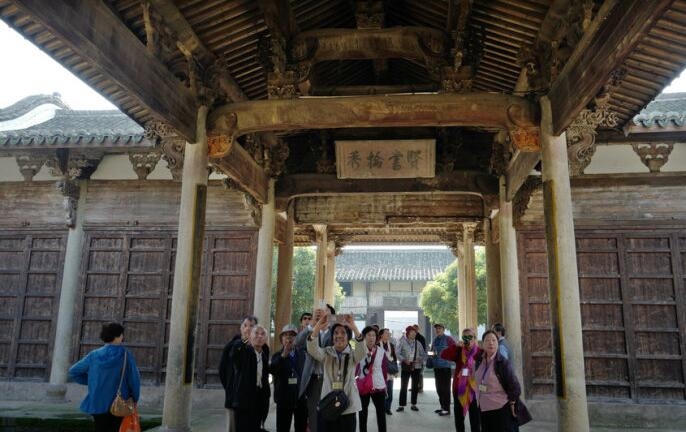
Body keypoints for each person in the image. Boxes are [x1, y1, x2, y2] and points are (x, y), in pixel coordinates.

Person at [68, 322, 141, 432]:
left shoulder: (94, 355)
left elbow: (73, 371)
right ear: (117, 336)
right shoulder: (126, 355)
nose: (122, 336)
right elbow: (134, 380)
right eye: (121, 334)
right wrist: (135, 398)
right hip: (120, 402)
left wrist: (92, 381)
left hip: (98, 401)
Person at [306, 310, 365, 432]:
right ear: (332, 337)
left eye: (343, 333)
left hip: (348, 407)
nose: (339, 336)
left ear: (348, 337)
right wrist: (318, 325)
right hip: (328, 406)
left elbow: (362, 350)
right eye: (336, 333)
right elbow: (312, 348)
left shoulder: (353, 355)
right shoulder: (326, 353)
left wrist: (353, 327)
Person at [475, 330, 527, 432]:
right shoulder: (480, 360)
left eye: (494, 340)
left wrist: (512, 403)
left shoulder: (502, 363)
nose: (491, 343)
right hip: (483, 409)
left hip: (500, 409)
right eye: (487, 340)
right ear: (483, 344)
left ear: (498, 343)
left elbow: (515, 386)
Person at [218, 315, 258, 432]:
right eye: (245, 325)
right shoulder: (233, 345)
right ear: (241, 328)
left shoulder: (260, 347)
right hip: (235, 399)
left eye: (251, 326)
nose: (248, 329)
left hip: (253, 400)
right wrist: (231, 388)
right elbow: (222, 370)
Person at [295, 308, 332, 432]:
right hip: (312, 378)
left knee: (328, 409)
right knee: (312, 411)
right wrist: (312, 325)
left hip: (328, 378)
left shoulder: (334, 333)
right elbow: (298, 342)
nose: (323, 316)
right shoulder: (309, 331)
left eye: (326, 314)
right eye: (320, 315)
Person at [440, 327, 482, 432]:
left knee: (475, 418)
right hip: (459, 389)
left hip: (474, 389)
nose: (468, 340)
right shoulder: (459, 350)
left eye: (470, 337)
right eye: (465, 337)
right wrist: (455, 346)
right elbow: (443, 355)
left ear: (475, 338)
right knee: (459, 418)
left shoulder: (480, 352)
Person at [232, 325, 271, 432]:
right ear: (250, 336)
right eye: (256, 333)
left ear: (266, 338)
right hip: (244, 401)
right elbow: (235, 352)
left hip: (259, 400)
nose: (259, 336)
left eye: (263, 334)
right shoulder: (244, 351)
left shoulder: (264, 355)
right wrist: (245, 340)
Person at [270, 324, 307, 432]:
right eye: (285, 335)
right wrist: (283, 355)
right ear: (281, 339)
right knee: (282, 428)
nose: (289, 337)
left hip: (300, 399)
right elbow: (272, 370)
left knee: (301, 427)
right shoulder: (277, 355)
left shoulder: (302, 354)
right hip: (283, 400)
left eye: (292, 335)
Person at [357, 326, 387, 432]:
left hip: (378, 386)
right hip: (364, 385)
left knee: (381, 414)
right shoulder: (359, 351)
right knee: (362, 413)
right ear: (364, 337)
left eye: (373, 335)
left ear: (376, 338)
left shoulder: (381, 351)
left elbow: (384, 370)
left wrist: (385, 386)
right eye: (369, 335)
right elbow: (356, 368)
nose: (371, 338)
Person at [395, 325, 426, 412]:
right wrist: (404, 360)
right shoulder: (402, 342)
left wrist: (419, 359)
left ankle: (413, 404)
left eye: (415, 333)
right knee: (403, 386)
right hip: (406, 366)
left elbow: (423, 354)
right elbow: (397, 353)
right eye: (412, 333)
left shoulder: (418, 343)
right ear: (408, 333)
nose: (414, 334)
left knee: (415, 386)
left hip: (416, 366)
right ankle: (401, 405)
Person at [431, 323, 456, 416]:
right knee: (439, 388)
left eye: (439, 328)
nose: (437, 330)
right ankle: (442, 407)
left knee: (445, 389)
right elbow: (432, 352)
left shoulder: (448, 339)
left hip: (445, 368)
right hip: (437, 367)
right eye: (436, 328)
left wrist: (449, 358)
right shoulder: (435, 340)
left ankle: (446, 409)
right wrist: (431, 354)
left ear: (443, 329)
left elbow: (455, 350)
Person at [379, 328, 398, 415]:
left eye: (389, 333)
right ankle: (381, 408)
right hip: (380, 371)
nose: (388, 334)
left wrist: (396, 370)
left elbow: (394, 358)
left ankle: (388, 408)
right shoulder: (377, 345)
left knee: (390, 391)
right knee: (381, 392)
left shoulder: (392, 345)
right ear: (381, 335)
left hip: (390, 371)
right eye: (386, 333)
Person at [412, 324, 426, 393]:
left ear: (418, 329)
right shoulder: (411, 337)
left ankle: (420, 387)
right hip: (412, 358)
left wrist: (420, 358)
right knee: (413, 373)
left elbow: (423, 349)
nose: (414, 330)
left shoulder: (421, 338)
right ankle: (414, 387)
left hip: (419, 358)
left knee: (420, 373)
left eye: (415, 329)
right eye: (413, 329)